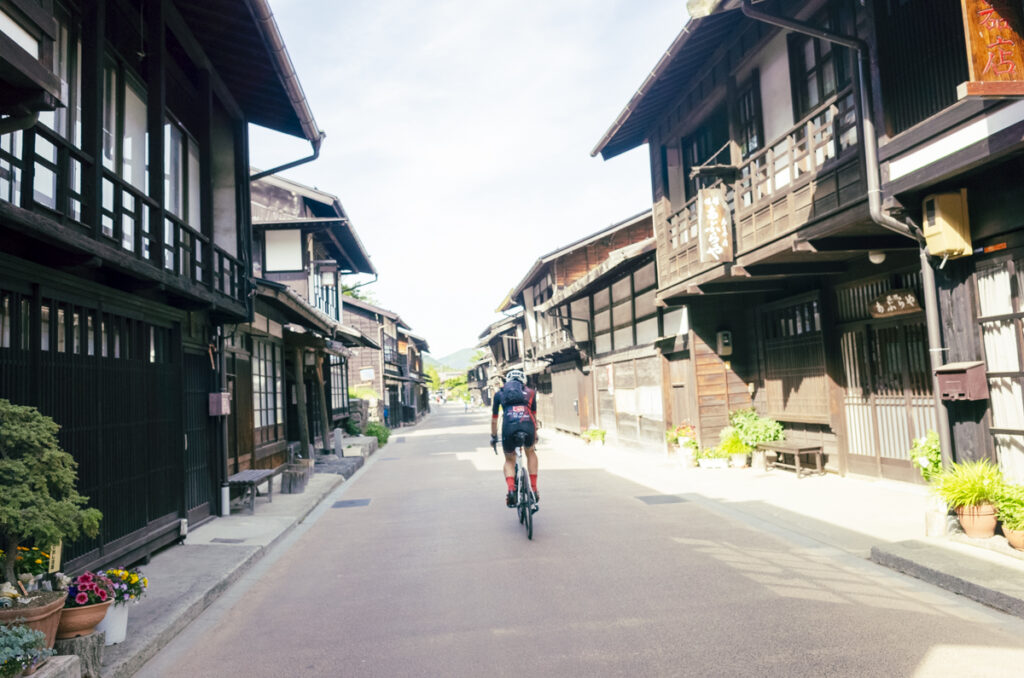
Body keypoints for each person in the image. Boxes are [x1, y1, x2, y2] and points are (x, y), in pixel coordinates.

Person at [490, 369, 538, 508]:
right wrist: (535, 434)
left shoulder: (499, 394)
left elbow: (494, 419)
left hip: (508, 427)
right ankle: (534, 489)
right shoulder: (531, 393)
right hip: (528, 425)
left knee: (509, 460)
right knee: (531, 452)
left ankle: (511, 489)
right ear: (523, 382)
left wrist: (493, 436)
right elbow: (534, 416)